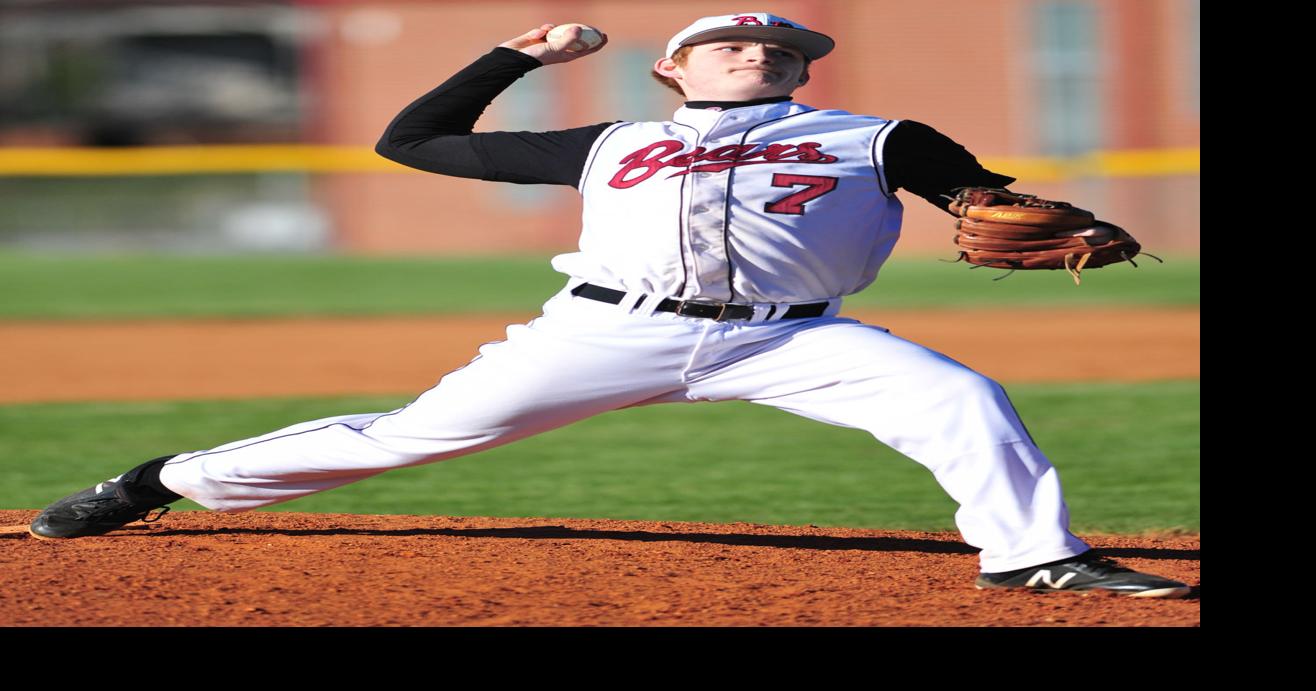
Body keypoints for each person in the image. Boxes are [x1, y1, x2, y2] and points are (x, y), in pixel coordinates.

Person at [30, 13, 1189, 598]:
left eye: (779, 45)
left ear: (802, 70)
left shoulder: (874, 136)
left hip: (792, 341)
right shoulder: (612, 141)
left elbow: (980, 198)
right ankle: (160, 481)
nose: (759, 50)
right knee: (405, 439)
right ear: (671, 71)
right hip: (604, 329)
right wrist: (509, 55)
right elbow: (412, 140)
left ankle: (1030, 558)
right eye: (730, 43)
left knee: (956, 397)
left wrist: (1065, 224)